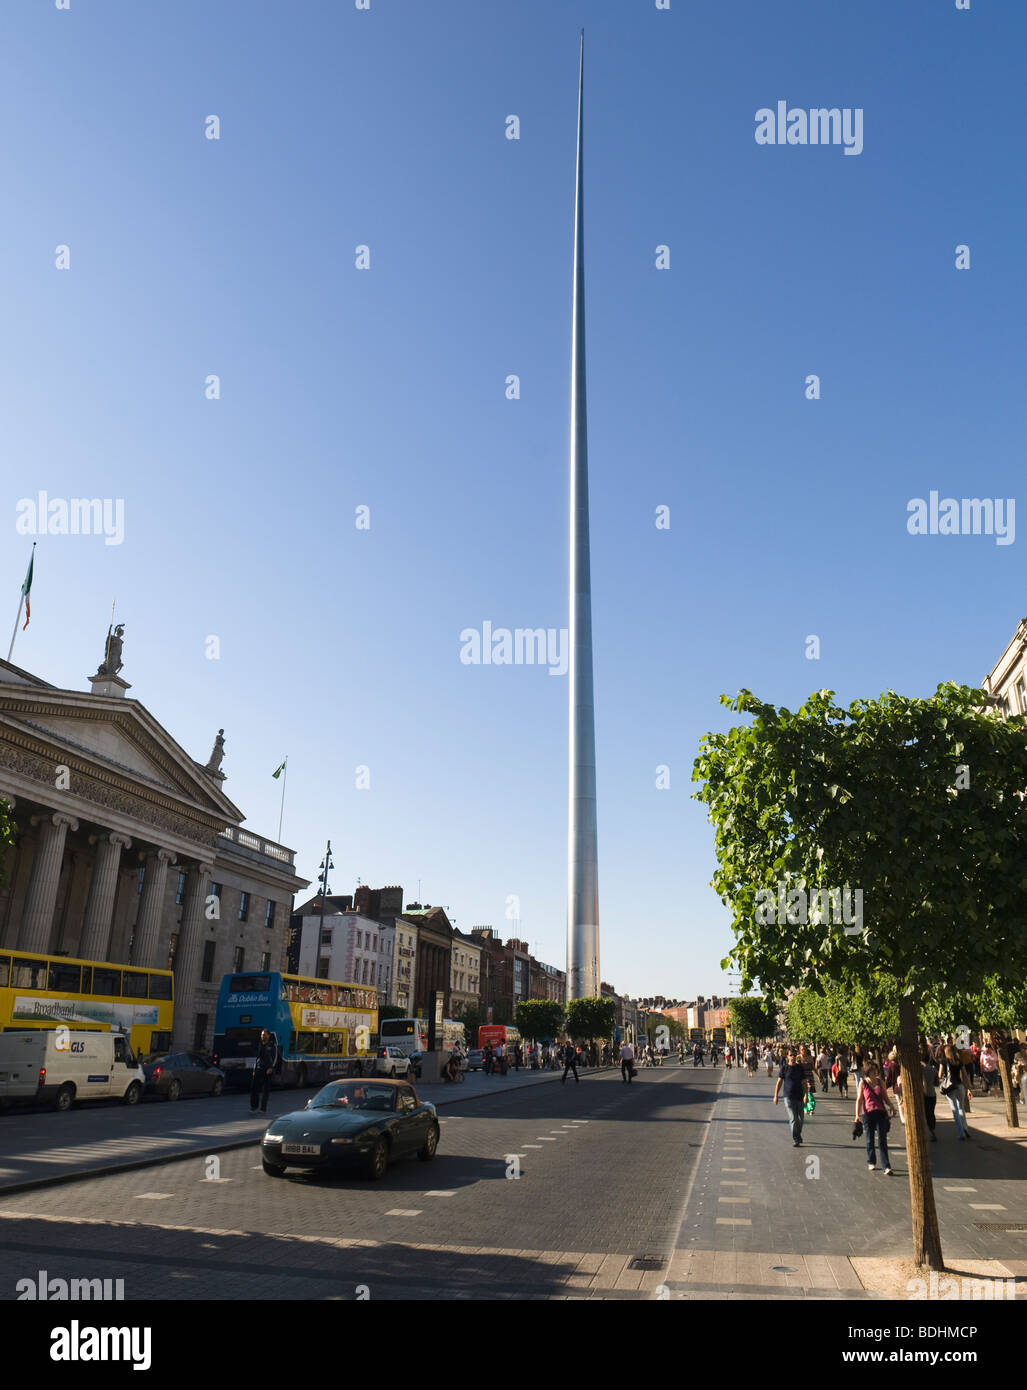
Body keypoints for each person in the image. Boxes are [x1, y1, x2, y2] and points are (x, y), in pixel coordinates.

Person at [856, 1062, 897, 1173]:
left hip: (880, 1113)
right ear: (868, 1071)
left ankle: (886, 1166)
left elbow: (886, 1098)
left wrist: (892, 1106)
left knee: (882, 1140)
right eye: (873, 1070)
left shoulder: (880, 1082)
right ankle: (871, 1161)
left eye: (876, 1069)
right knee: (870, 1140)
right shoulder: (863, 1083)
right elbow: (859, 1099)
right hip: (867, 1114)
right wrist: (857, 1115)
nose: (875, 1071)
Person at [773, 1046, 808, 1146]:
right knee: (793, 1118)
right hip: (788, 1097)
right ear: (787, 1057)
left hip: (799, 1096)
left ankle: (798, 1135)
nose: (792, 1057)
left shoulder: (800, 1068)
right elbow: (779, 1082)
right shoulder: (784, 1068)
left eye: (794, 1055)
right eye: (790, 1055)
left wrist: (806, 1095)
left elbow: (804, 1082)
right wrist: (776, 1095)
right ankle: (796, 1138)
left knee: (800, 1119)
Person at [939, 1044, 971, 1140]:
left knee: (955, 1110)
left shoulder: (944, 1061)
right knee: (961, 1108)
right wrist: (968, 1087)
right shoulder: (958, 1061)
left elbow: (939, 1075)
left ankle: (961, 1133)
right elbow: (965, 1075)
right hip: (960, 1086)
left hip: (950, 1087)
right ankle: (965, 1127)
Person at [250, 1029, 278, 1113]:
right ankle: (254, 1107)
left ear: (268, 1036)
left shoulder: (272, 1045)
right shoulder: (259, 1044)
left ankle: (263, 1108)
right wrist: (254, 1069)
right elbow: (257, 1058)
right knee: (254, 1089)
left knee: (265, 1090)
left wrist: (271, 1068)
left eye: (264, 1035)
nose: (263, 1036)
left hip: (267, 1070)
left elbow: (275, 1057)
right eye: (262, 1034)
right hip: (258, 1069)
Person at [921, 1048, 938, 1141]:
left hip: (925, 1094)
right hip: (932, 1093)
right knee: (931, 1112)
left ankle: (930, 1131)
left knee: (927, 1113)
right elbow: (937, 1083)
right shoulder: (933, 1069)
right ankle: (932, 1129)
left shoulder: (921, 1070)